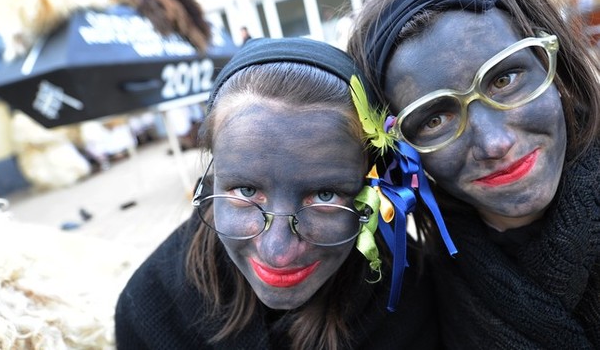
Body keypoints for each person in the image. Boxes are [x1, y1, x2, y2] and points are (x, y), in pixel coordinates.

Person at [114, 37, 441, 349]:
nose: (278, 253)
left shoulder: (412, 298)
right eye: (245, 191)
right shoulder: (149, 305)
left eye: (325, 195)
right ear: (213, 177)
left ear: (372, 188)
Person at [348, 0, 600, 348]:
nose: (494, 143)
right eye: (435, 120)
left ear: (550, 61)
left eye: (505, 79)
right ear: (401, 151)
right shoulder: (412, 301)